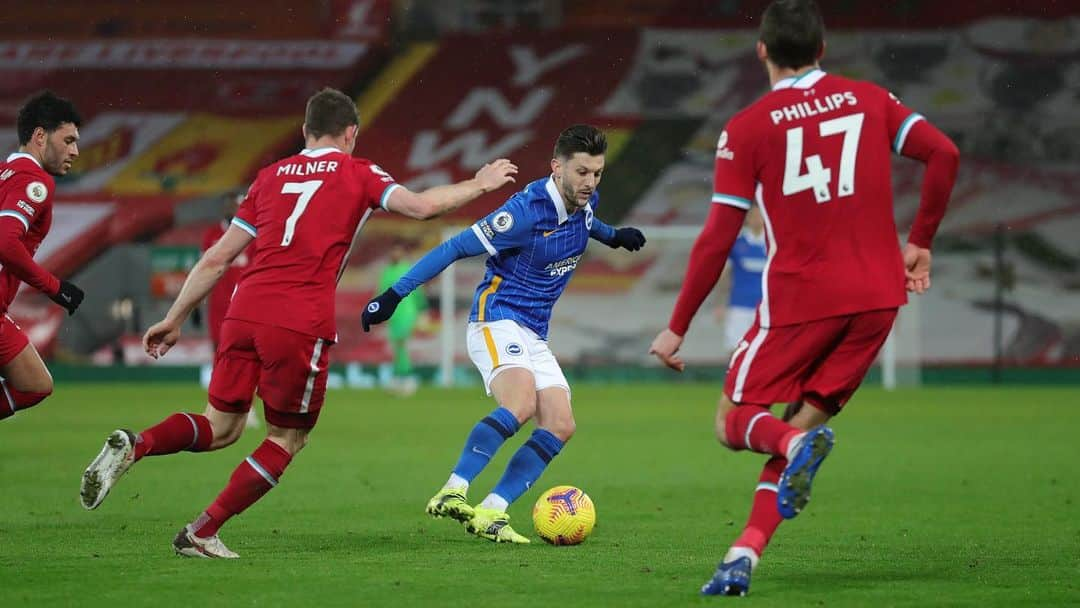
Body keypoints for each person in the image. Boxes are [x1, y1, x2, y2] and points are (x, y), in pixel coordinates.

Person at [79, 87, 519, 558]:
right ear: (351, 134)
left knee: (220, 426)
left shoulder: (267, 178)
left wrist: (174, 317)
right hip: (296, 318)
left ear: (305, 132)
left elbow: (217, 258)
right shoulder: (359, 172)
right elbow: (423, 207)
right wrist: (480, 184)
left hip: (243, 309)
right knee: (288, 437)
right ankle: (201, 532)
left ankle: (138, 443)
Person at [648, 0, 959, 596]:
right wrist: (919, 242)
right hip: (877, 298)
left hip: (803, 298)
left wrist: (677, 325)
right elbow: (944, 153)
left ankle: (795, 444)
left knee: (734, 422)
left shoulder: (747, 127)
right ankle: (743, 555)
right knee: (798, 430)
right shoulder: (870, 99)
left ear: (761, 50)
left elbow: (717, 237)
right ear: (822, 49)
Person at [362, 124, 647, 544]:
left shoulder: (585, 201)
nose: (590, 182)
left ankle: (491, 511)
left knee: (561, 423)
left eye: (597, 173)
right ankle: (453, 490)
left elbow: (587, 221)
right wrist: (394, 295)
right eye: (582, 172)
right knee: (521, 403)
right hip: (496, 318)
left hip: (534, 332)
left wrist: (614, 236)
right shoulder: (524, 212)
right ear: (557, 168)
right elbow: (454, 247)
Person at [0, 91, 85, 422]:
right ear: (39, 136)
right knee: (34, 384)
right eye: (68, 140)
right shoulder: (35, 180)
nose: (75, 151)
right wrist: (55, 287)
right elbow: (5, 243)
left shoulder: (5, 173)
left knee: (35, 382)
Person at [200, 189, 262, 428]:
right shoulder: (212, 234)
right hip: (218, 304)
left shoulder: (253, 236)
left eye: (237, 203)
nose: (233, 208)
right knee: (219, 354)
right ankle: (216, 408)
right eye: (231, 204)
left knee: (248, 356)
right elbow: (204, 268)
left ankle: (248, 408)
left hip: (244, 304)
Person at [375, 243, 428, 396]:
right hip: (393, 315)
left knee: (401, 343)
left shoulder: (407, 269)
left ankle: (406, 378)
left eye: (397, 251)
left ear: (402, 253)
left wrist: (423, 309)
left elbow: (418, 291)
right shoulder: (387, 271)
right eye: (393, 251)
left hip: (407, 312)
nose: (395, 254)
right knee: (397, 346)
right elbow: (380, 292)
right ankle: (399, 377)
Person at [714, 205, 766, 355]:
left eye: (759, 215)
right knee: (735, 351)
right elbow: (724, 276)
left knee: (764, 353)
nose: (756, 219)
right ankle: (734, 379)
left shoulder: (774, 244)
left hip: (766, 307)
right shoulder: (736, 245)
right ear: (747, 219)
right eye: (753, 215)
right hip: (739, 306)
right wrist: (719, 303)